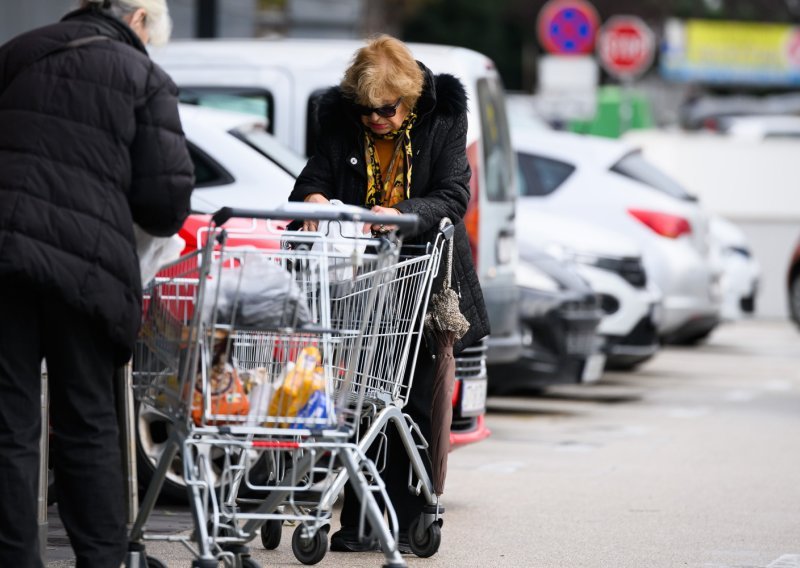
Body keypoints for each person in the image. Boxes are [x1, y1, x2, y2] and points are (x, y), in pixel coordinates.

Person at [0, 0, 194, 566]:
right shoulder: (144, 76)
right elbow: (164, 205)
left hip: (5, 257)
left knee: (10, 422)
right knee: (87, 420)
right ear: (138, 19)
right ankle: (101, 558)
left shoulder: (14, 54)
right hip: (86, 269)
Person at [289, 34, 490, 553]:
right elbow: (313, 178)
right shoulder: (341, 120)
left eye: (386, 109)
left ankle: (406, 517)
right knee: (367, 396)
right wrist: (313, 197)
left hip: (424, 271)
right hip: (364, 277)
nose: (375, 120)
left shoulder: (443, 115)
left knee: (416, 400)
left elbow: (452, 194)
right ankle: (360, 525)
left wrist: (404, 215)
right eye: (365, 112)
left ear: (408, 96)